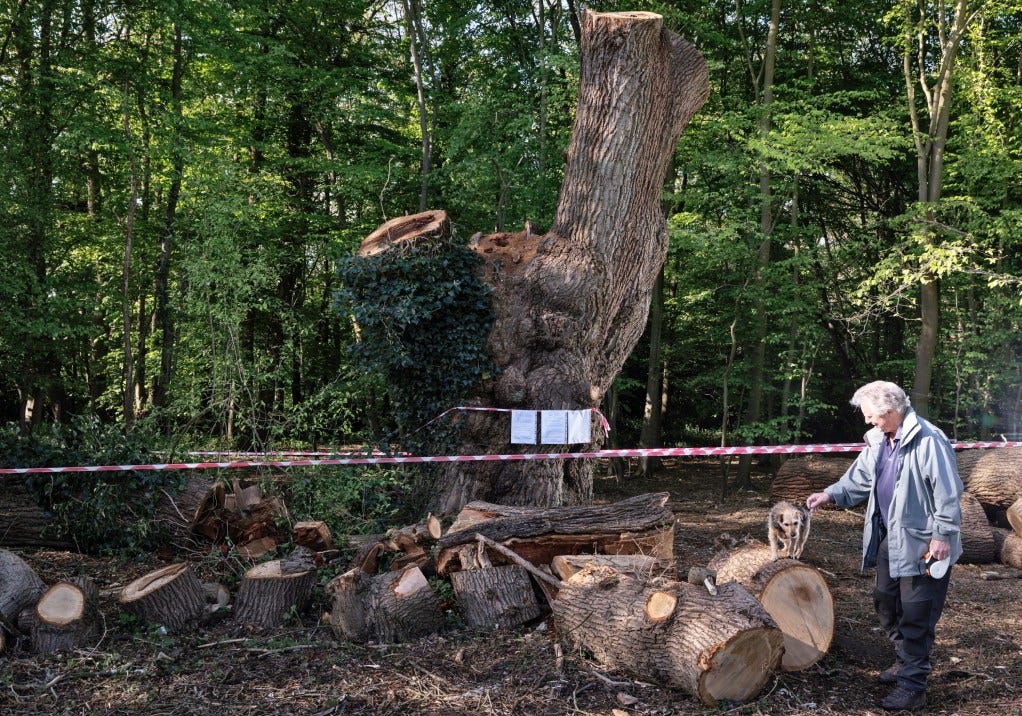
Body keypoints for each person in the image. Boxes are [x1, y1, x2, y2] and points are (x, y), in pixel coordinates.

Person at [806, 381, 962, 712]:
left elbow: (948, 492)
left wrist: (942, 535)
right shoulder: (879, 439)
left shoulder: (928, 440)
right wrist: (831, 493)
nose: (867, 422)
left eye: (870, 415)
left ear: (889, 411)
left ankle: (913, 686)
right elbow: (859, 477)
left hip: (924, 542)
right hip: (891, 539)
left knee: (916, 615)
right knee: (885, 602)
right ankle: (906, 661)